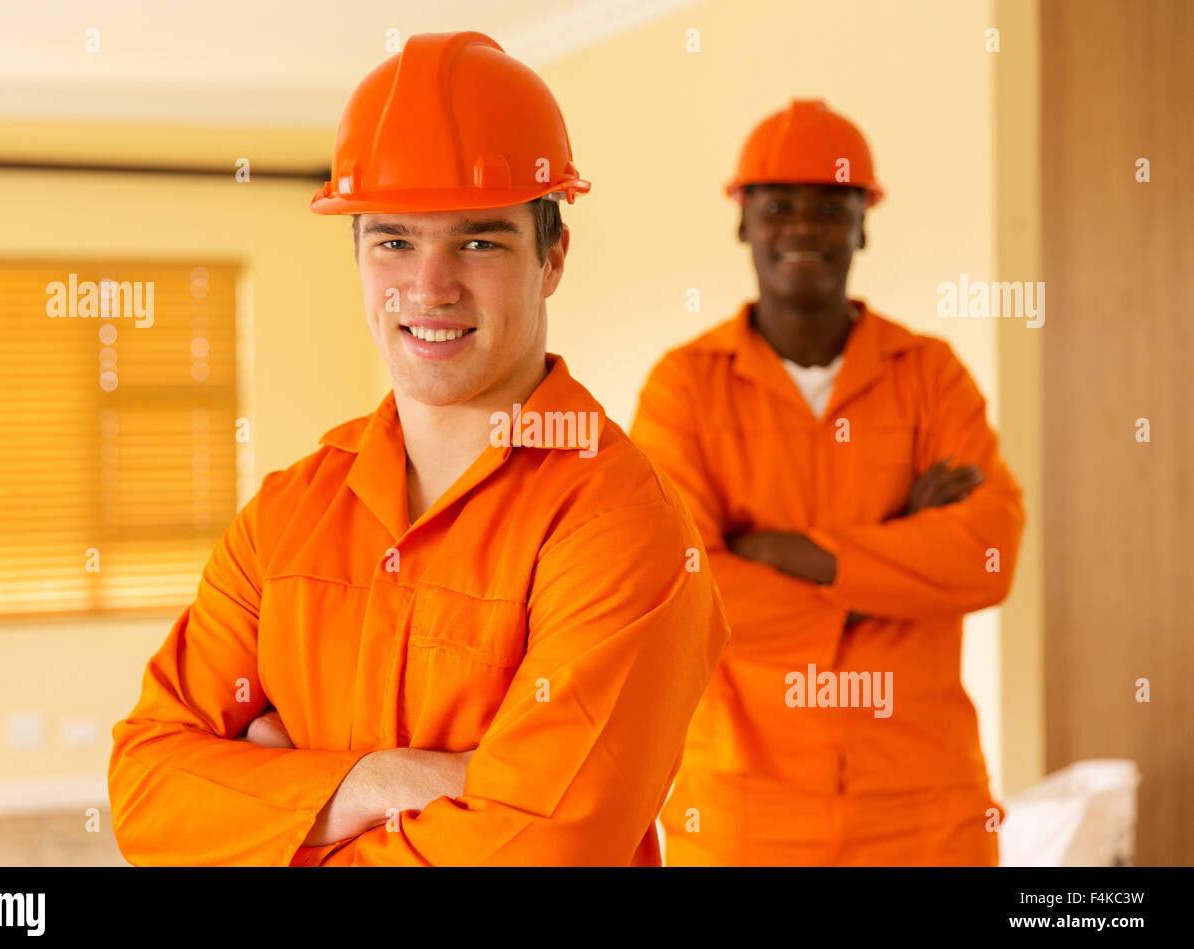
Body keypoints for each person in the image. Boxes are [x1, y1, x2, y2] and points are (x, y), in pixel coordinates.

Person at [106, 31, 728, 867]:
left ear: (553, 257)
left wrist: (276, 810)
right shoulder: (288, 515)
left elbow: (539, 851)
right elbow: (147, 793)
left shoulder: (618, 526)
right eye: (394, 239)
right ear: (359, 257)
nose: (429, 286)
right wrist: (378, 784)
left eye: (479, 240)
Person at [631, 99, 1024, 865]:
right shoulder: (684, 388)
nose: (803, 228)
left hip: (922, 797)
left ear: (862, 223)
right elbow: (682, 586)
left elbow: (987, 554)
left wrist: (787, 553)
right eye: (778, 206)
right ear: (744, 221)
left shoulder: (931, 376)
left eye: (830, 207)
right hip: (746, 802)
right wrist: (895, 559)